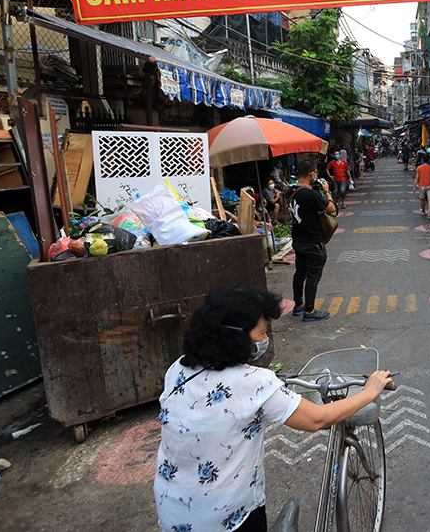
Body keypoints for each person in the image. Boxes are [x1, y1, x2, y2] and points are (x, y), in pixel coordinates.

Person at [154, 284, 392, 532]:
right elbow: (317, 419)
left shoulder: (178, 369)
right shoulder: (255, 382)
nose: (266, 339)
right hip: (227, 519)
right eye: (263, 332)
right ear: (237, 337)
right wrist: (368, 392)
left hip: (171, 511)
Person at [284, 160, 336, 322]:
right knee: (313, 276)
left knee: (300, 272)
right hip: (313, 239)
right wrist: (327, 192)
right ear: (312, 173)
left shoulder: (289, 191)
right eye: (315, 172)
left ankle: (298, 305)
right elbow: (332, 209)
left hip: (298, 238)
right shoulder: (310, 194)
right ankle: (310, 311)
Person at [413, 154, 430, 219]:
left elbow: (416, 178)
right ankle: (429, 214)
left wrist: (415, 187)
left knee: (422, 199)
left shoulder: (419, 168)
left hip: (422, 185)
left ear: (423, 160)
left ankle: (423, 211)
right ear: (429, 160)